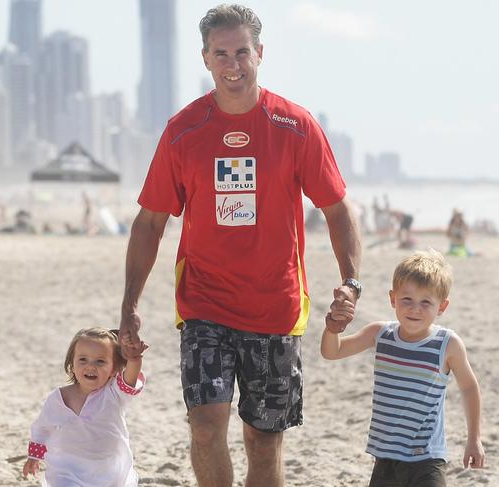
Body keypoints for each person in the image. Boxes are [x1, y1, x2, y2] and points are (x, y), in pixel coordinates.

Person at [119, 4, 362, 486]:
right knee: (207, 426)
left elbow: (337, 208)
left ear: (260, 54)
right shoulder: (183, 131)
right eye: (222, 54)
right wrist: (129, 305)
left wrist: (351, 283)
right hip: (204, 303)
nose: (234, 64)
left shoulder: (294, 125)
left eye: (242, 52)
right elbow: (149, 223)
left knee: (264, 439)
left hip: (276, 305)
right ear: (206, 59)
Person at [321, 250, 485, 486]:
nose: (414, 309)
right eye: (406, 299)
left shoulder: (448, 344)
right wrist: (333, 329)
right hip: (385, 456)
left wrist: (474, 439)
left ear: (442, 306)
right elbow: (332, 352)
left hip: (427, 458)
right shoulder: (380, 334)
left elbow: (469, 388)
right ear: (392, 298)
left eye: (426, 302)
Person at [22, 328, 147, 487]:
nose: (90, 366)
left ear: (114, 368)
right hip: (66, 468)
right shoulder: (58, 398)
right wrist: (34, 456)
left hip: (108, 470)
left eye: (100, 361)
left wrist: (134, 358)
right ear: (72, 364)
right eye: (83, 359)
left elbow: (130, 377)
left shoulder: (114, 394)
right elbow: (43, 427)